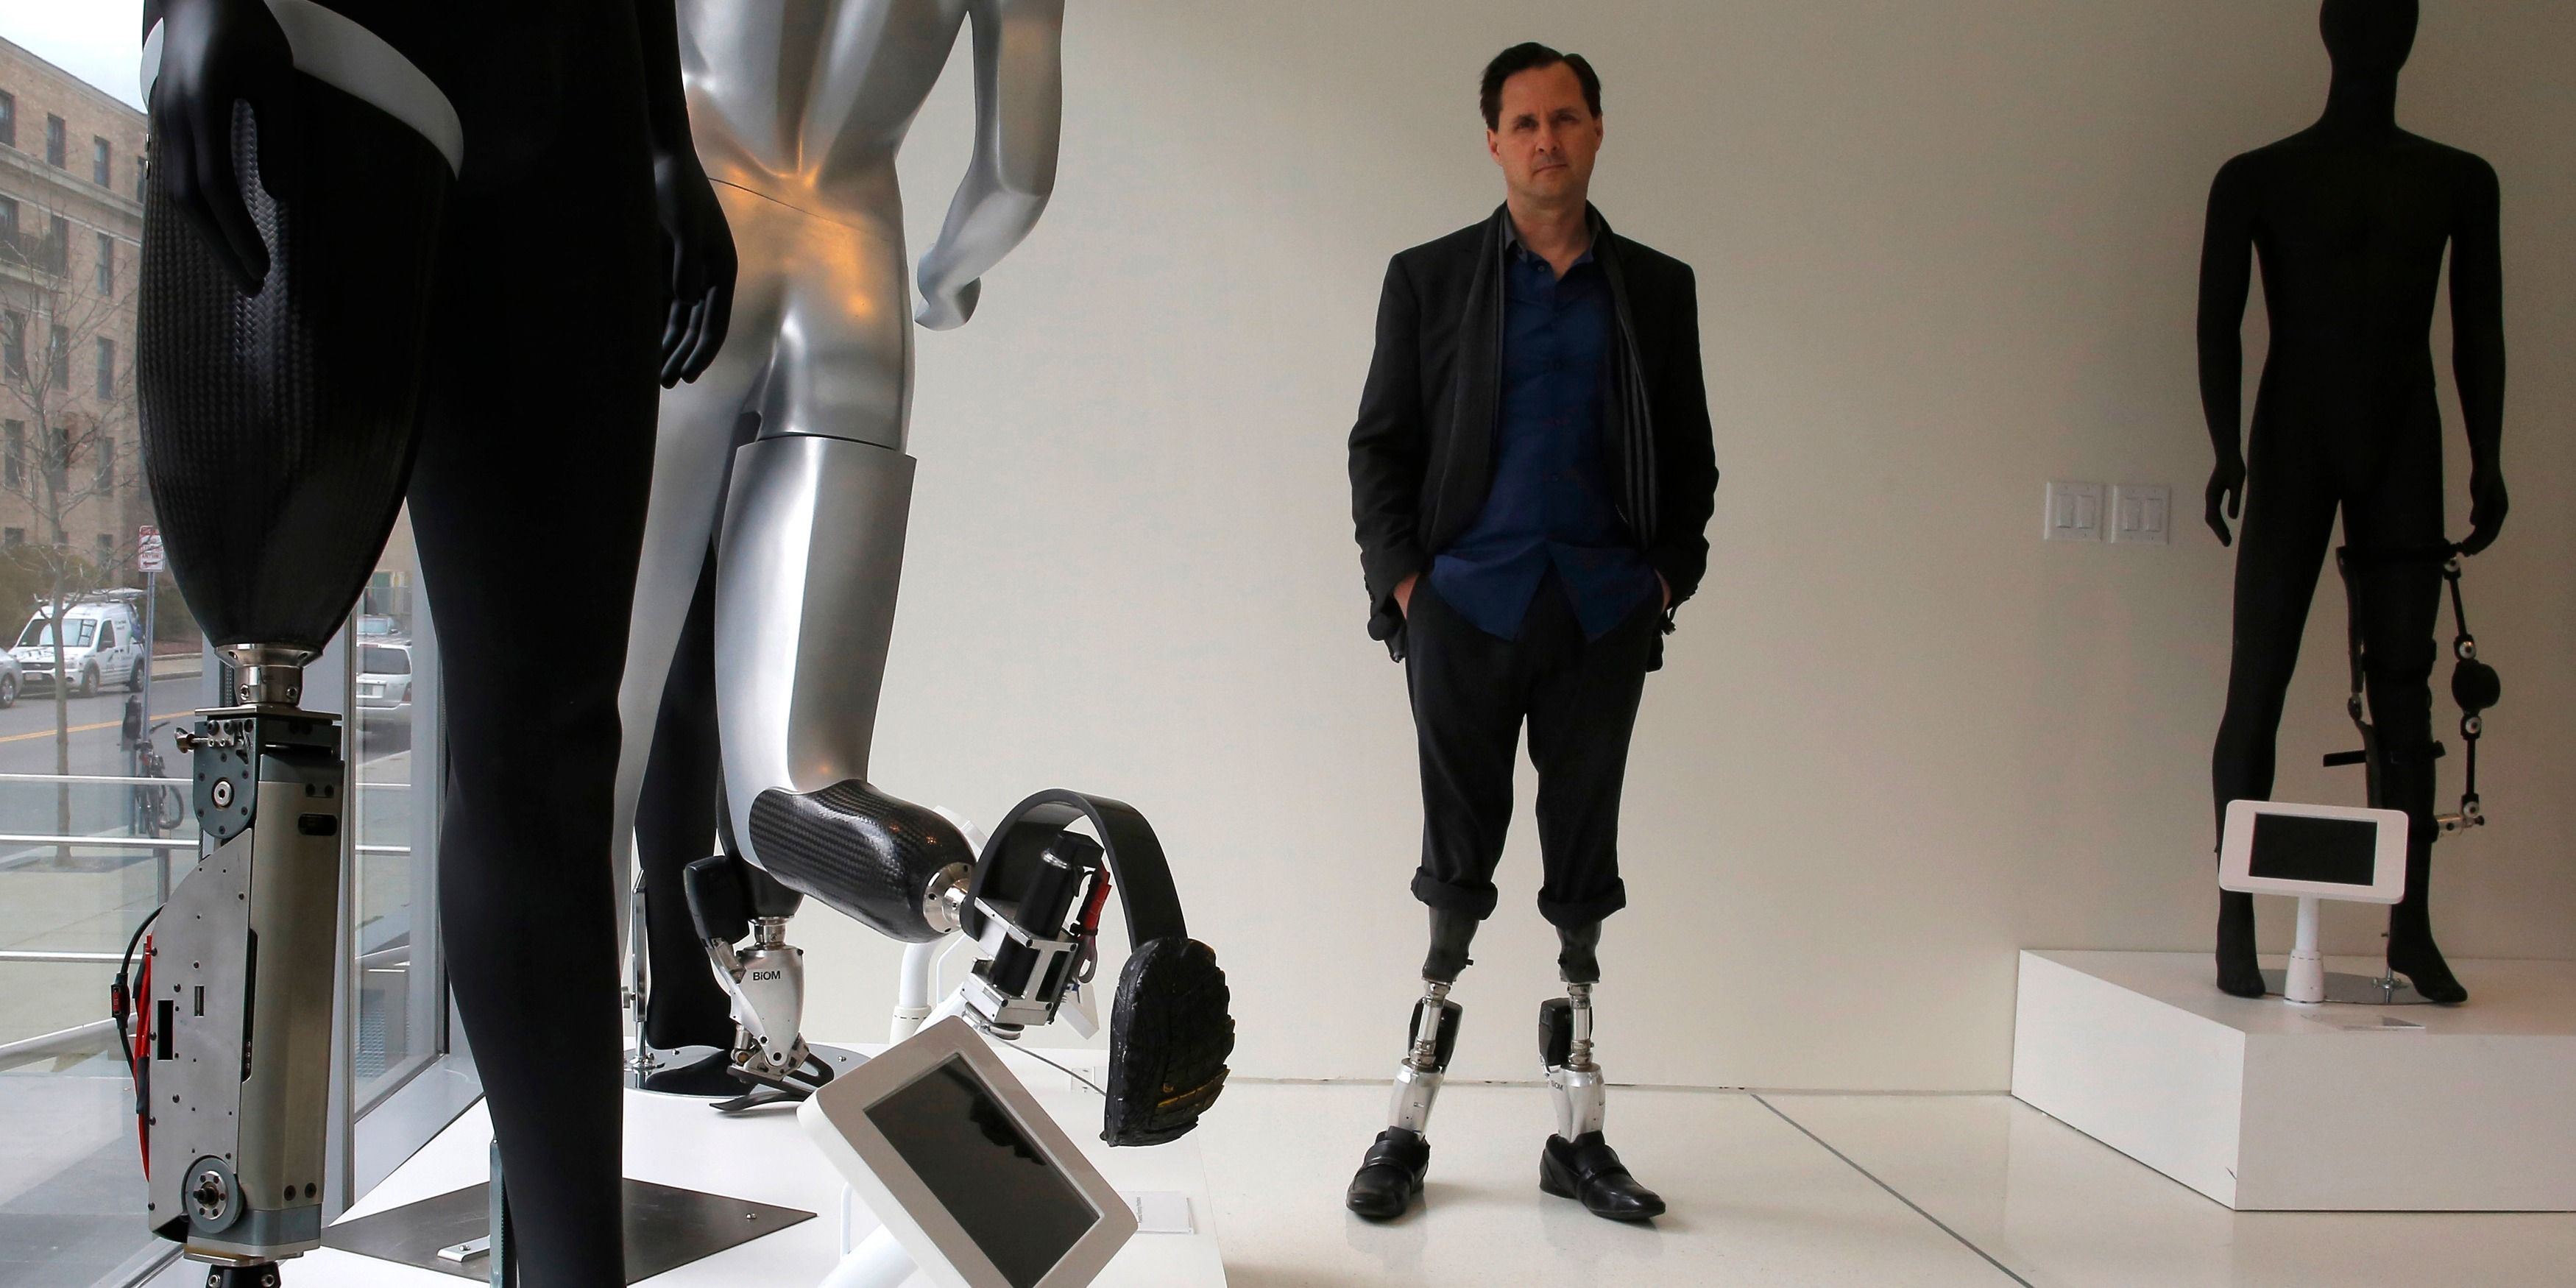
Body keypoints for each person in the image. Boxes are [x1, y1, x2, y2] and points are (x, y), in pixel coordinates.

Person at [1343, 41, 1717, 1223]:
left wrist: (1665, 581)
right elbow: (1380, 446)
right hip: (1467, 608)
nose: (1546, 139)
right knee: (1454, 867)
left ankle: (1579, 1135)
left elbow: (1693, 458)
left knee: (1583, 866)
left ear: (1597, 130)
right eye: (1524, 122)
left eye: (1565, 117)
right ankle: (1404, 1126)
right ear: (1495, 142)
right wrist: (1409, 587)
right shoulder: (1430, 279)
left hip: (1601, 612)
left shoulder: (1656, 288)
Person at [2200, 0, 2504, 1005]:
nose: (2379, 28)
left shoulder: (2458, 179)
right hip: (2294, 437)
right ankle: (2235, 916)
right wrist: (2223, 445)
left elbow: (2477, 328)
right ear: (2332, 28)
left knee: (2406, 688)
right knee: (2260, 679)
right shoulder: (2258, 176)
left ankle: (2409, 924)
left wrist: (2489, 456)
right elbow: (2218, 322)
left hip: (2403, 438)